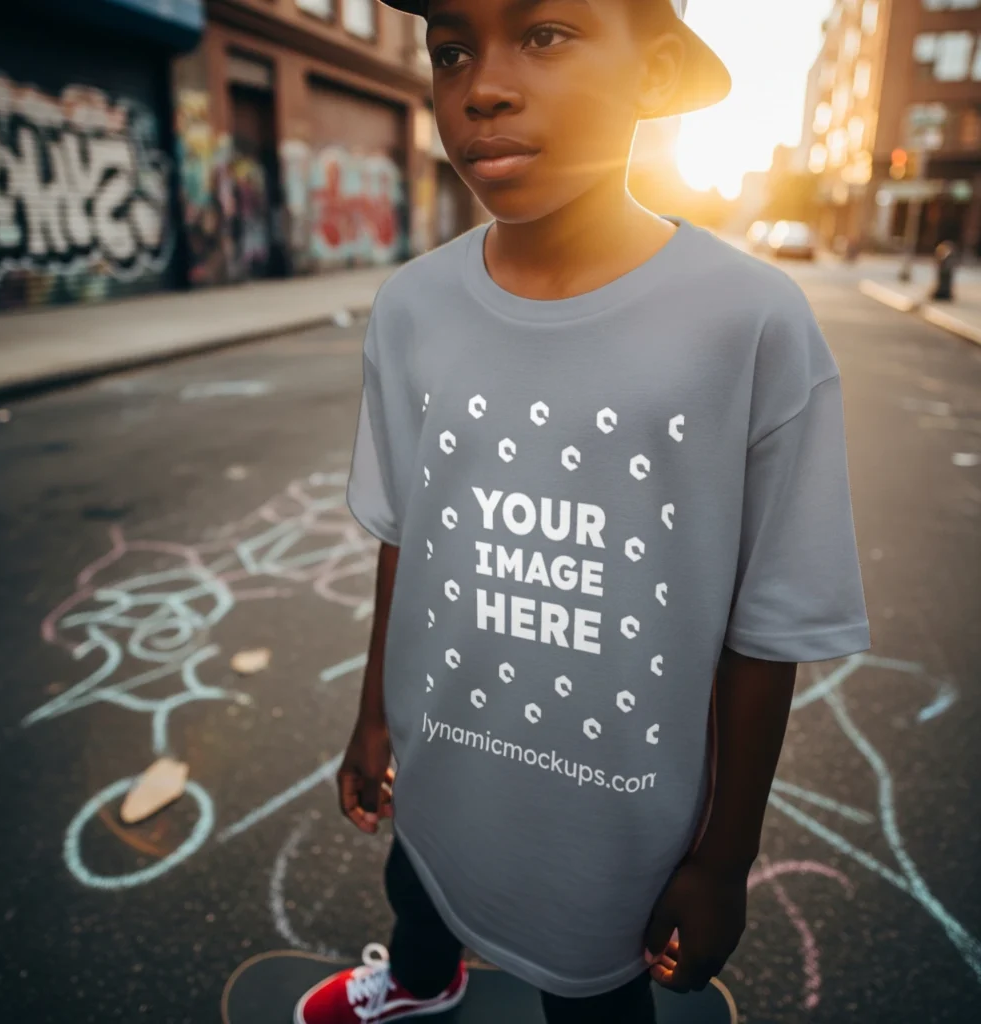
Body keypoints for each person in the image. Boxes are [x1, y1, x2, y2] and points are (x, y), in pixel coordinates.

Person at [296, 1, 871, 1022]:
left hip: (613, 822)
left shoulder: (747, 320)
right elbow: (405, 534)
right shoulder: (411, 307)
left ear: (652, 74)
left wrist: (725, 855)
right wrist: (376, 711)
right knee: (419, 882)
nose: (483, 85)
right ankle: (422, 983)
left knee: (594, 995)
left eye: (545, 34)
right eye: (451, 49)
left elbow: (769, 620)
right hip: (440, 757)